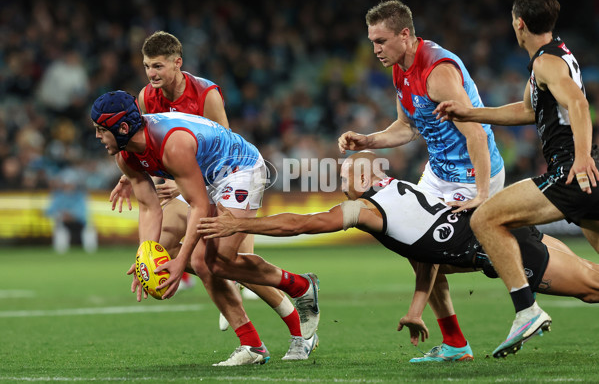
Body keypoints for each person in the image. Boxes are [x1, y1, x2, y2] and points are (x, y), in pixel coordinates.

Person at [198, 151, 599, 361]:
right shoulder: (402, 189)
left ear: (364, 178)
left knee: (592, 288)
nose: (341, 186)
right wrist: (416, 306)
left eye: (345, 178)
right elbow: (428, 256)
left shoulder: (370, 211)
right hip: (505, 237)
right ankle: (456, 344)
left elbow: (302, 223)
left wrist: (242, 225)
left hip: (507, 250)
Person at [91, 90, 319, 366]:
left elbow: (198, 206)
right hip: (205, 177)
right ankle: (252, 345)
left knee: (211, 259)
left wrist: (180, 263)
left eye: (101, 130)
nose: (97, 137)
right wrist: (144, 257)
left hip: (238, 169)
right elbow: (150, 208)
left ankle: (301, 286)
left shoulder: (172, 144)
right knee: (204, 262)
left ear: (123, 127)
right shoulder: (125, 157)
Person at [433, 0, 599, 358]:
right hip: (585, 173)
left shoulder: (545, 62)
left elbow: (578, 103)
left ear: (518, 24)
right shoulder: (553, 57)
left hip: (572, 171)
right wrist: (469, 113)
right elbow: (526, 111)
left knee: (486, 218)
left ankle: (526, 310)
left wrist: (582, 157)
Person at [337, 0, 505, 362]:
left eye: (380, 41)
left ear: (405, 34)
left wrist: (481, 193)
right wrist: (368, 140)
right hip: (438, 173)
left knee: (433, 248)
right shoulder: (400, 68)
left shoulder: (437, 70)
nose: (375, 49)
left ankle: (504, 255)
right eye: (372, 41)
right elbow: (407, 127)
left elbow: (475, 132)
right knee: (416, 246)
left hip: (473, 174)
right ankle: (456, 344)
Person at [109, 31, 298, 342]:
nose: (152, 74)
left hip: (225, 177)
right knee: (168, 245)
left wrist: (176, 182)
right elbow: (143, 143)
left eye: (158, 66)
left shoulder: (205, 93)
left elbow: (225, 143)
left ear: (177, 63)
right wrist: (128, 176)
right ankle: (242, 319)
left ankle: (289, 312)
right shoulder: (146, 97)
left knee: (232, 264)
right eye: (146, 67)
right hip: (186, 184)